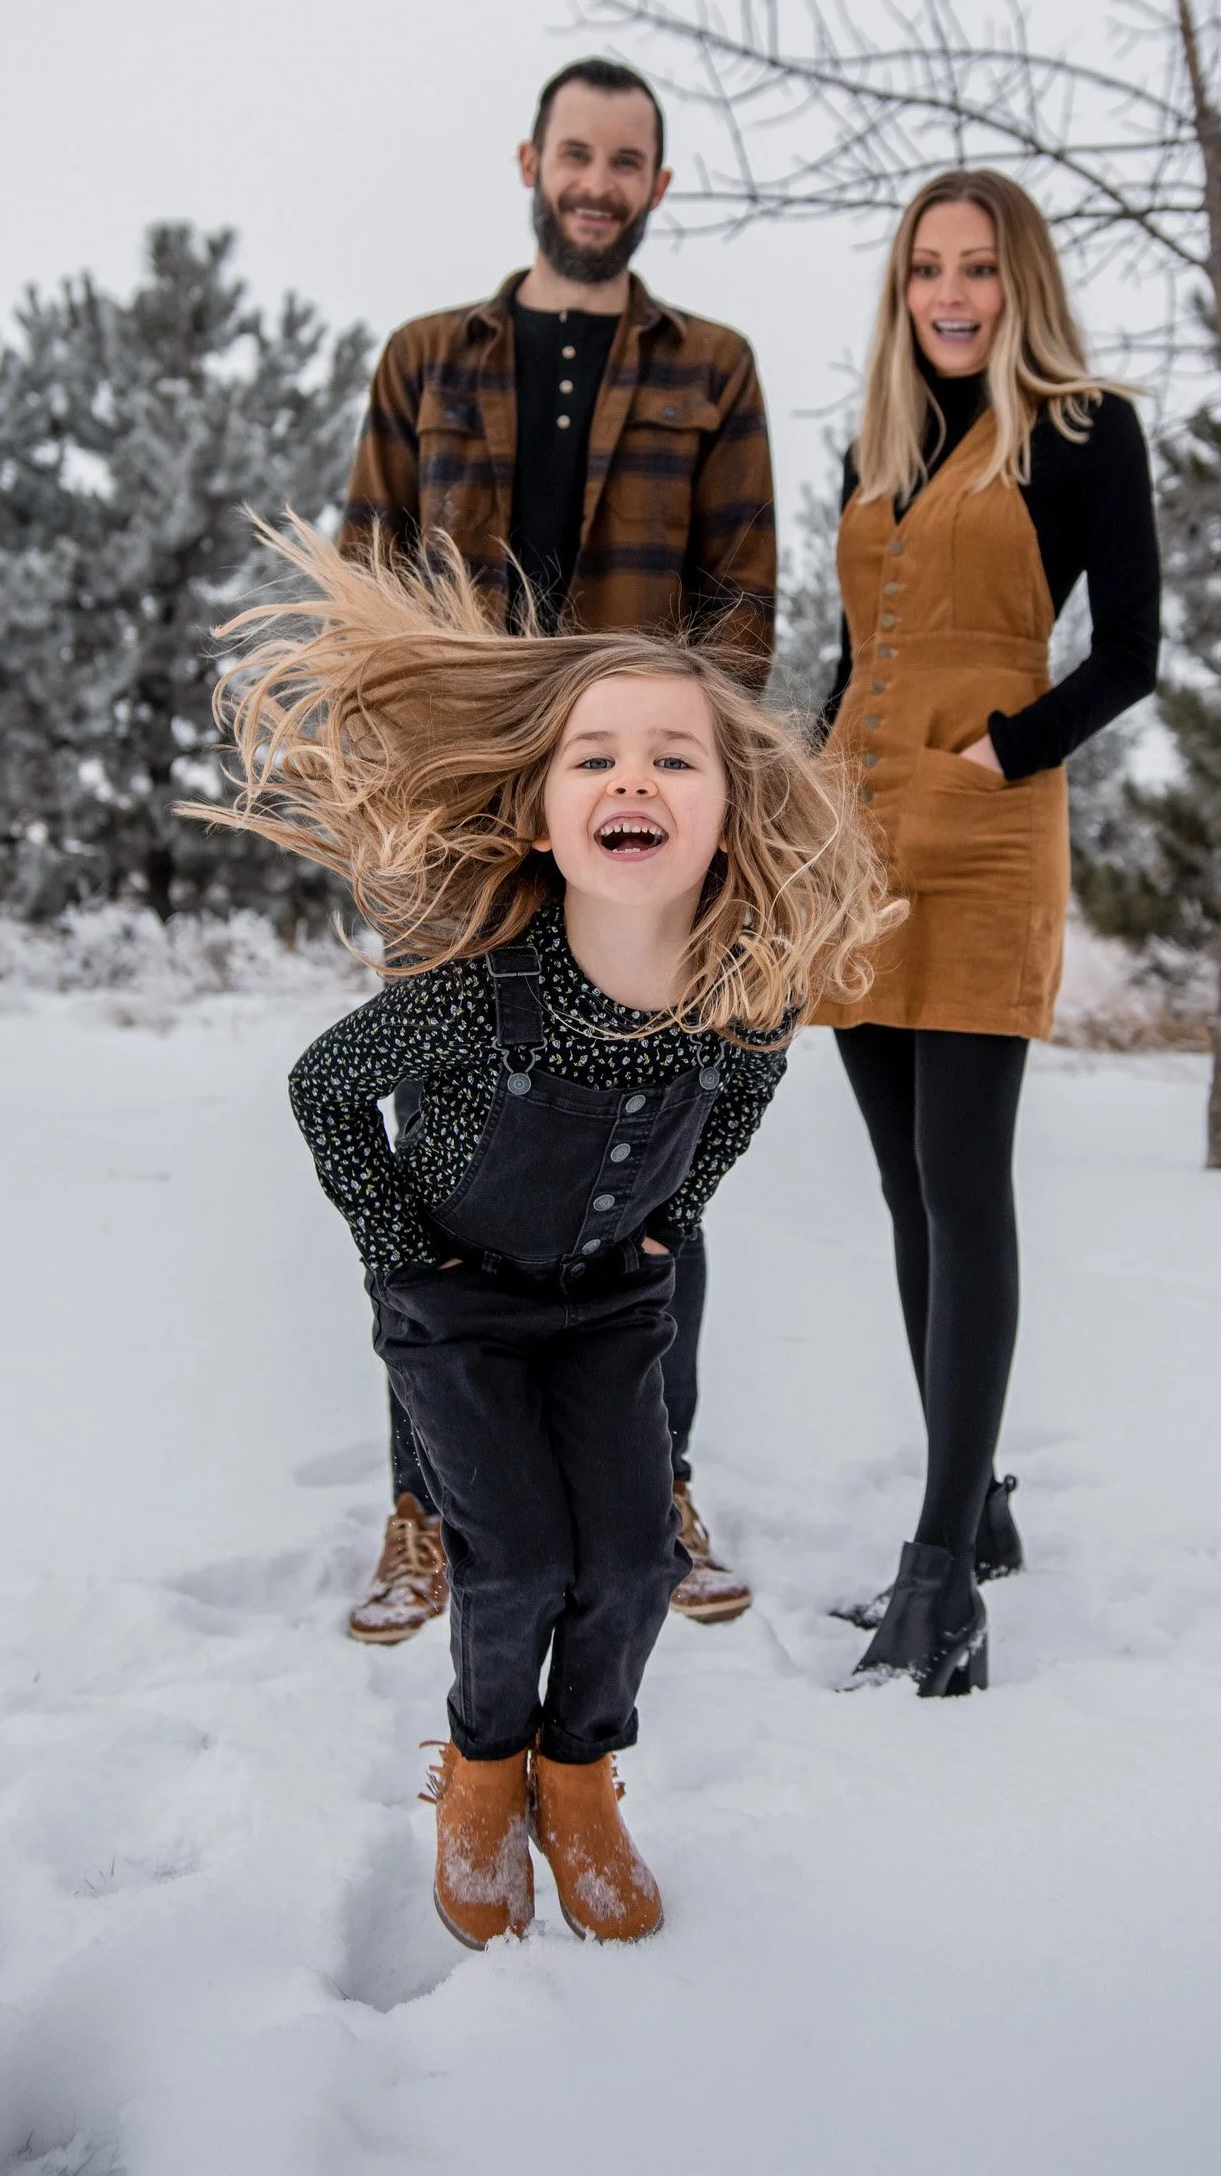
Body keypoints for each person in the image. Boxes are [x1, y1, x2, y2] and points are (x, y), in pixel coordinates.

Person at [198, 523, 889, 1945]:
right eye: (596, 755)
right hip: (455, 1309)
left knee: (631, 1562)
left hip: (610, 1306)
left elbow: (743, 1100)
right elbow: (324, 1087)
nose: (633, 774)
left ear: (727, 810)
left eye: (673, 755)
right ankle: (482, 1765)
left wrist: (670, 1223)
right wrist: (398, 1252)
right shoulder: (472, 992)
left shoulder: (745, 994)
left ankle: (579, 1774)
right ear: (539, 811)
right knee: (510, 1560)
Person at [336, 56, 776, 1648]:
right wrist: (395, 792)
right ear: (531, 158)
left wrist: (679, 789)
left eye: (627, 160)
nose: (596, 180)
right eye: (574, 152)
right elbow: (361, 601)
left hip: (640, 822)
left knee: (657, 1149)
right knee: (439, 1156)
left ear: (659, 182)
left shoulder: (714, 367)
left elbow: (739, 611)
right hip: (458, 834)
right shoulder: (424, 361)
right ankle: (425, 1508)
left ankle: (651, 1472)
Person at [815, 169, 1161, 1698]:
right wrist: (798, 815)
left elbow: (1132, 652)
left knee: (964, 1186)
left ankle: (941, 1574)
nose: (949, 295)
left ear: (1020, 280)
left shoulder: (1086, 429)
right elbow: (848, 657)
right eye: (924, 270)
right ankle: (984, 1505)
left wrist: (999, 756)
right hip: (855, 844)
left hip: (981, 837)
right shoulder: (875, 443)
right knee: (902, 1191)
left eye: (976, 269)